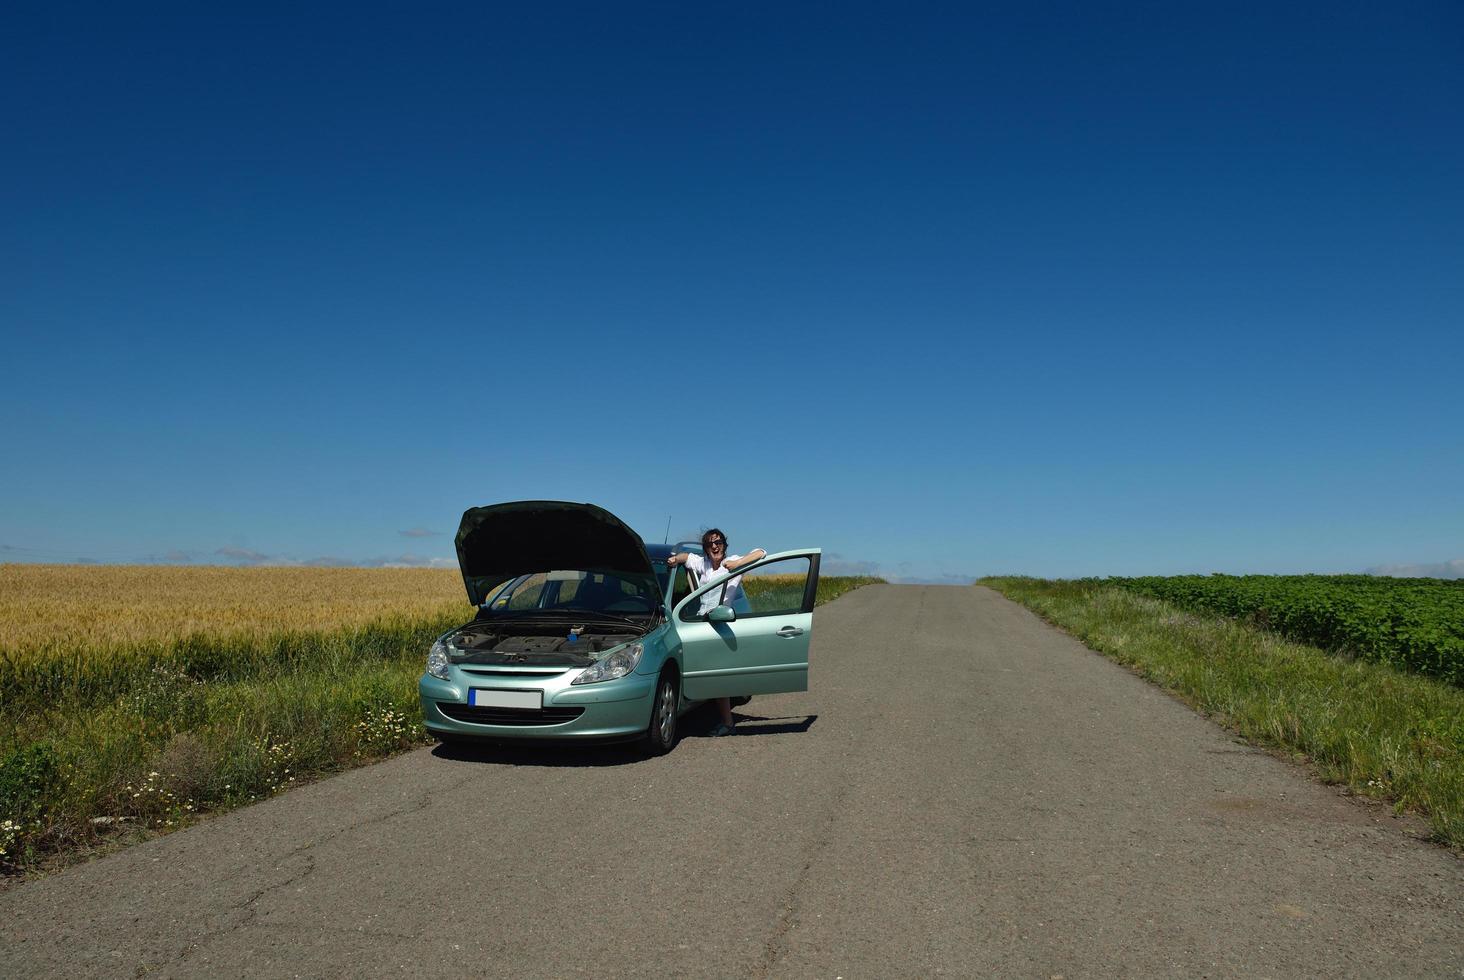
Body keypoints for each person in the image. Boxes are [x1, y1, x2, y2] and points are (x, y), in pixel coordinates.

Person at [666, 529, 766, 736]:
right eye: (711, 543)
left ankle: (727, 724)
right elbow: (686, 557)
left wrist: (738, 566)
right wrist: (676, 559)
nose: (715, 546)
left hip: (720, 622)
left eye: (718, 542)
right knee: (706, 672)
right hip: (700, 623)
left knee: (718, 675)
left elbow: (761, 552)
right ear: (706, 548)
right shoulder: (702, 564)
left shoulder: (734, 562)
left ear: (724, 545)